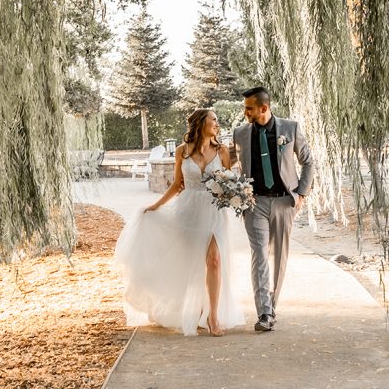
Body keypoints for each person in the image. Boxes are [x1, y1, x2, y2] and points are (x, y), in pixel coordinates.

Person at [111, 108, 244, 336]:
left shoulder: (222, 151)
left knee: (214, 260)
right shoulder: (182, 152)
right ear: (201, 123)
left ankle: (213, 316)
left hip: (214, 212)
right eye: (213, 119)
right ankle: (193, 309)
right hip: (189, 210)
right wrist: (156, 206)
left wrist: (235, 195)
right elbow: (177, 185)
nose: (217, 123)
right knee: (192, 264)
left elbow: (229, 181)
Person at [232, 87, 315, 332]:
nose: (245, 112)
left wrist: (301, 192)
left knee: (279, 257)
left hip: (283, 202)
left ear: (263, 108)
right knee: (259, 255)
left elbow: (308, 161)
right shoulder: (240, 134)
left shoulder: (291, 129)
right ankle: (264, 313)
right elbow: (229, 162)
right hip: (254, 202)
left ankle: (272, 304)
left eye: (249, 108)